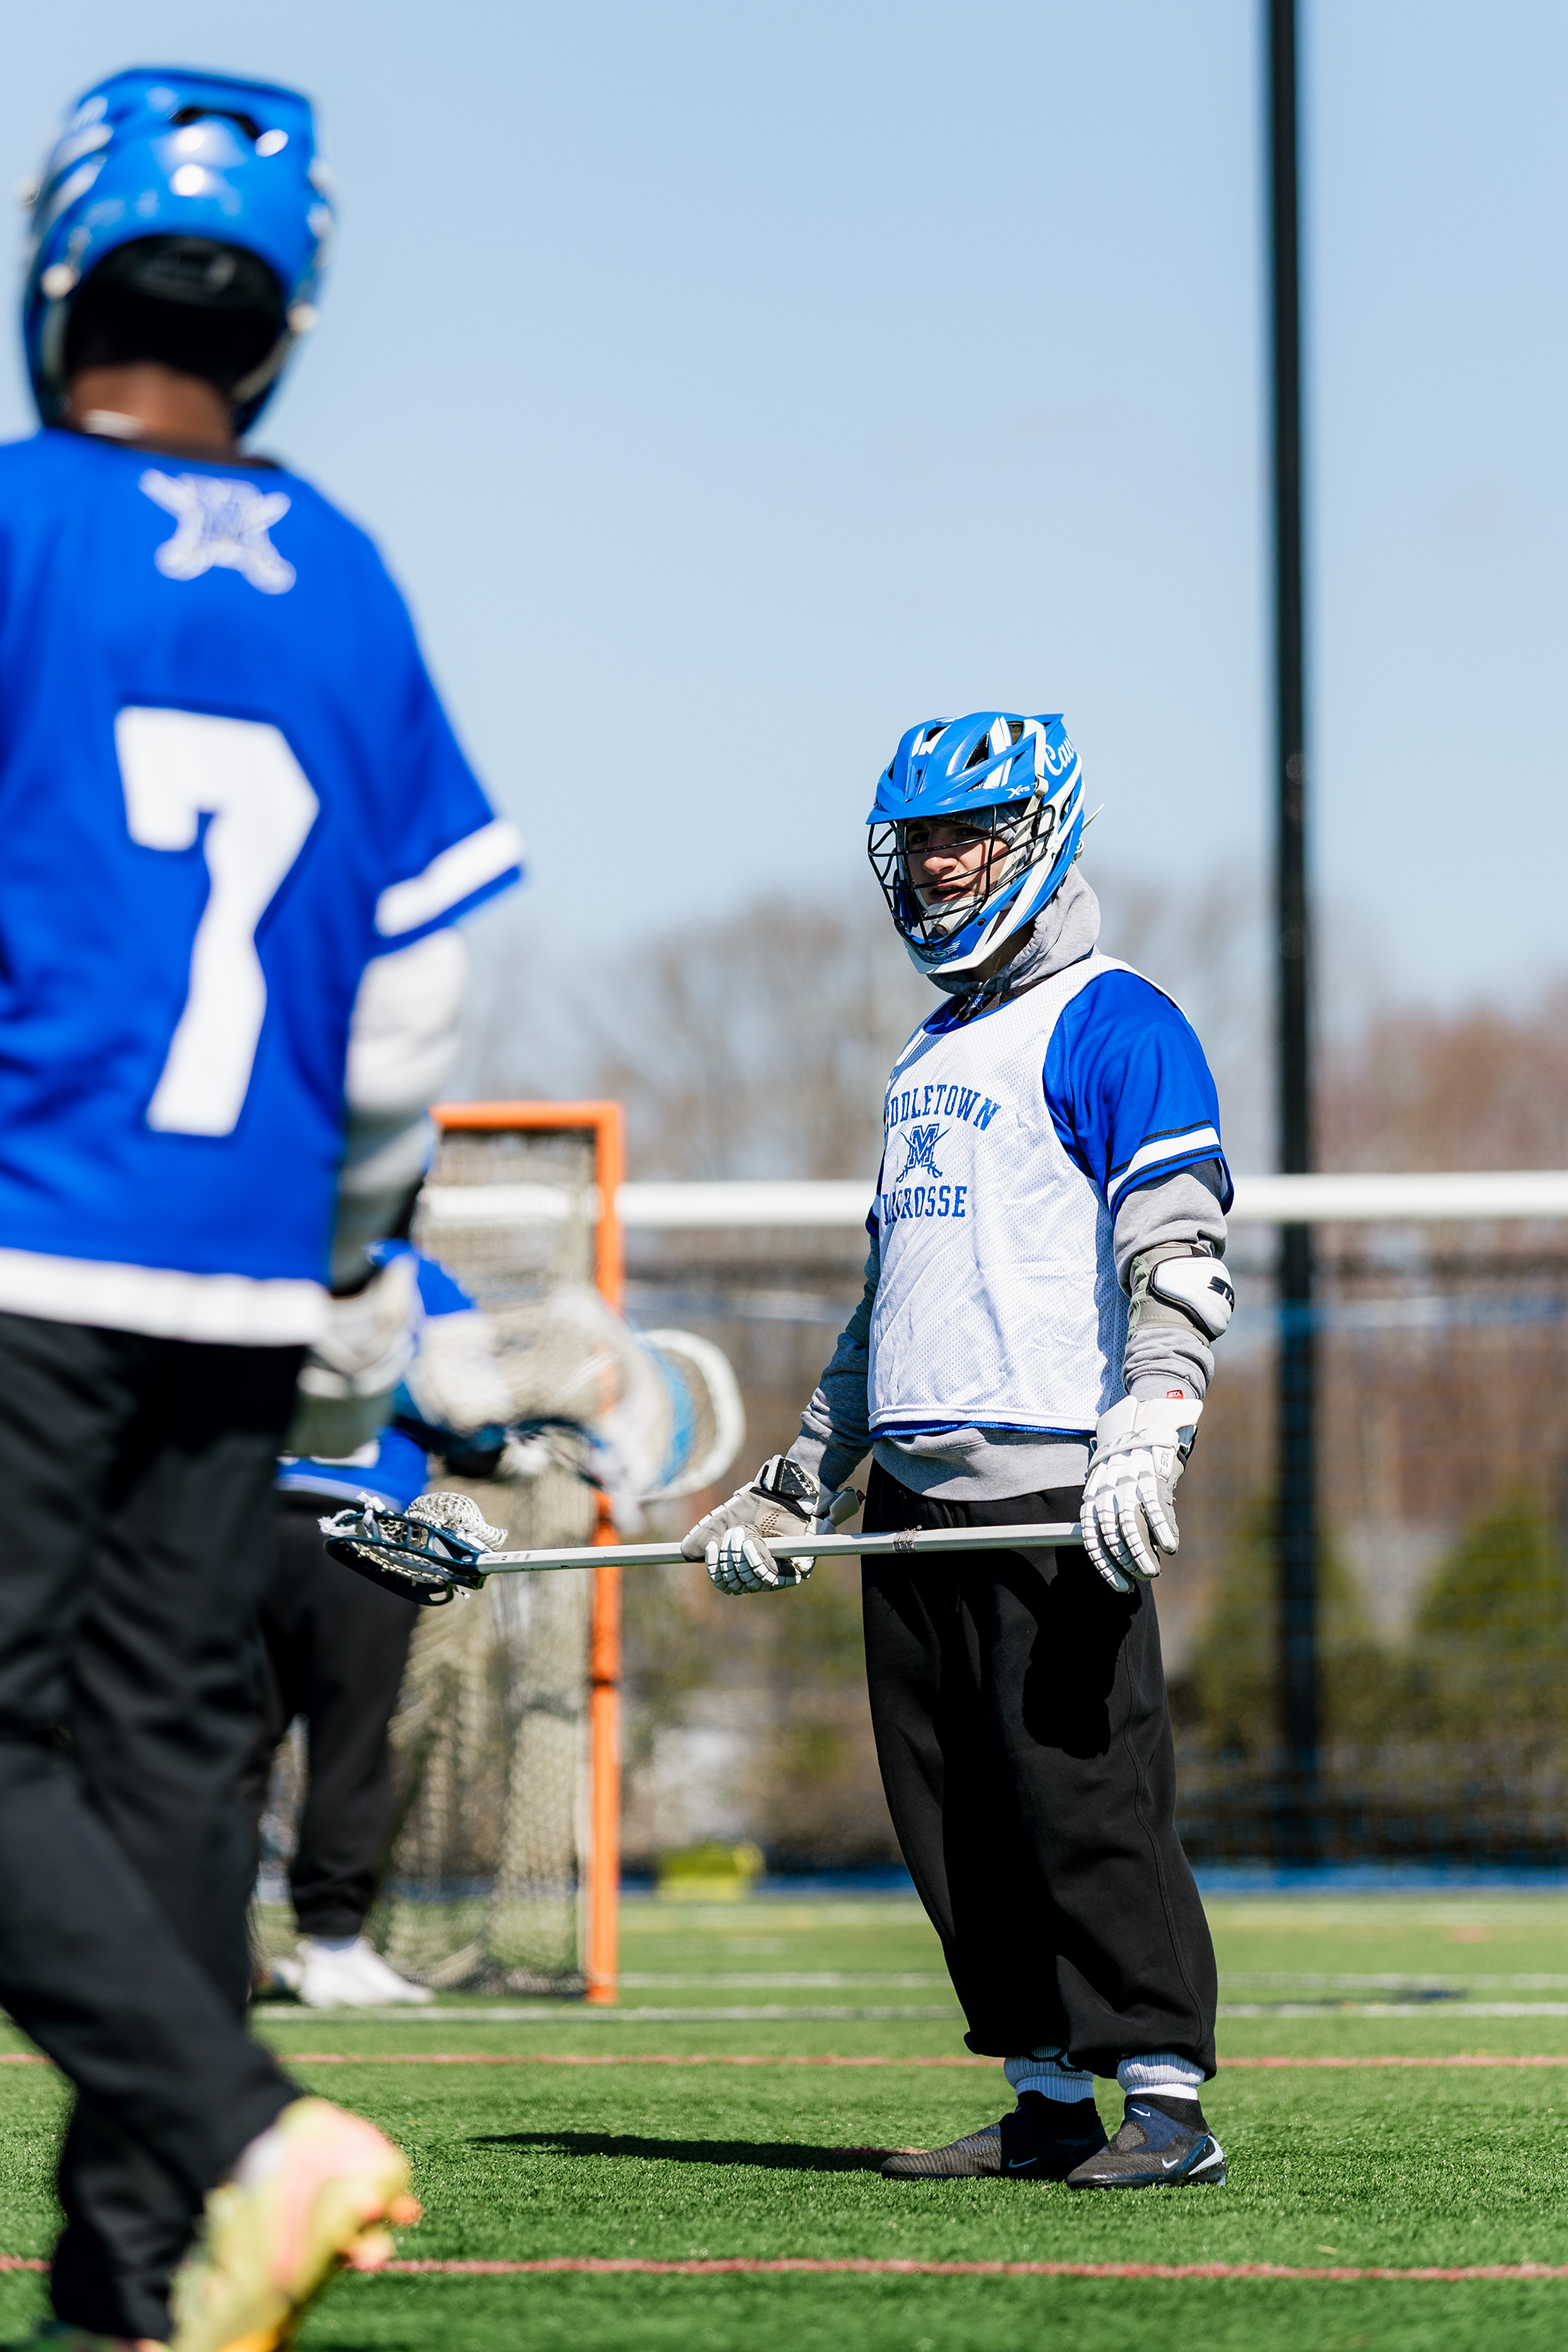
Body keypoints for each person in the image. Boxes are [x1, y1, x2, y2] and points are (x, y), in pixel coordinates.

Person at [0, 68, 522, 2349]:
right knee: (165, 1767)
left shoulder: (15, 526)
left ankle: (242, 2132)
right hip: (236, 1280)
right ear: (282, 325)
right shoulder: (352, 579)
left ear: (56, 283)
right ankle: (136, 2292)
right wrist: (342, 1258)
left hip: (23, 1235)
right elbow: (414, 1005)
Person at [684, 712, 1236, 2191]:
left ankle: (1167, 2103)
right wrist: (799, 1480)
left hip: (1053, 1498)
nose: (938, 866)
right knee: (960, 1825)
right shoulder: (924, 1055)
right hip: (911, 1510)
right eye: (921, 841)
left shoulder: (1119, 1021)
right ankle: (1047, 2099)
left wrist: (1154, 1423)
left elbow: (1177, 1250)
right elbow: (889, 1307)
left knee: (1086, 1803)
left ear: (1042, 833)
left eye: (968, 836)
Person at [252, 1235, 516, 2009]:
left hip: (238, 1524)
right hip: (365, 1534)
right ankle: (331, 1942)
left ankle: (209, 1940)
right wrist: (493, 1452)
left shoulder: (251, 1243)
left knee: (226, 1744)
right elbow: (474, 1420)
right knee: (353, 1741)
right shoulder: (418, 1277)